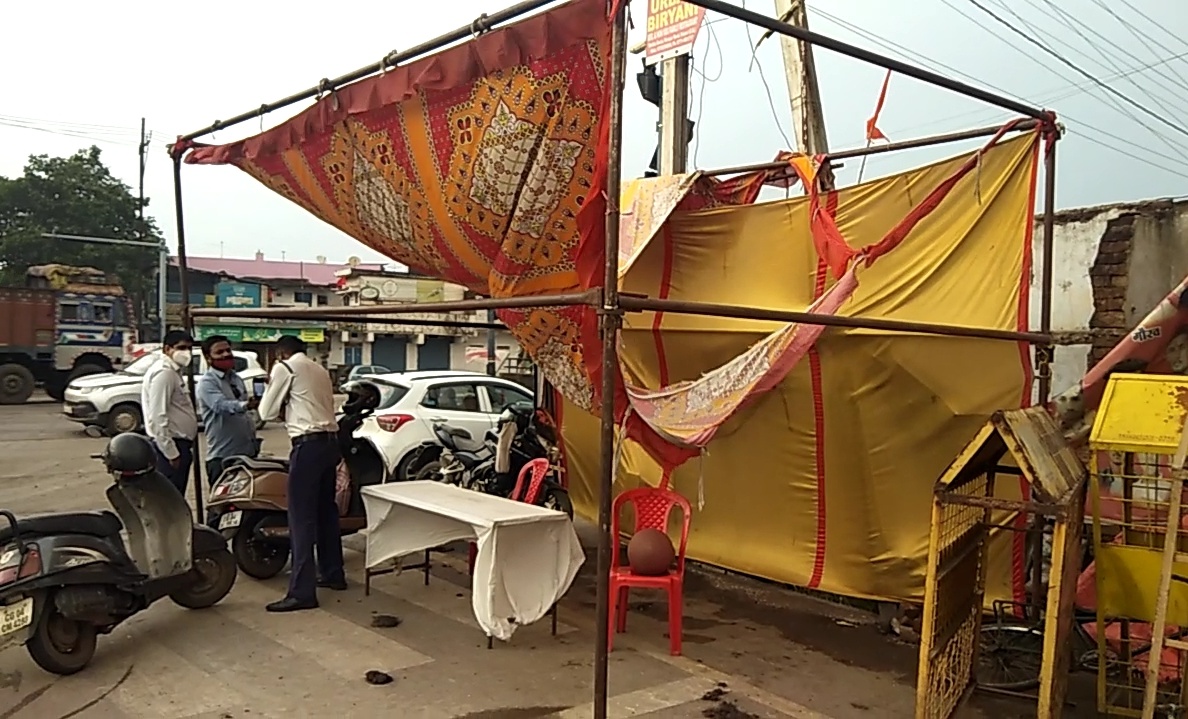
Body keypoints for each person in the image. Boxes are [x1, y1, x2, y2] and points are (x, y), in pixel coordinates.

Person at [257, 334, 345, 612]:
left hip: (306, 447)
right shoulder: (319, 369)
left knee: (301, 518)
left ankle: (302, 591)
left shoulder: (286, 368)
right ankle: (333, 573)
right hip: (330, 443)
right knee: (326, 513)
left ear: (281, 352)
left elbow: (266, 411)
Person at [196, 335, 260, 524]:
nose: (226, 355)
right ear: (209, 358)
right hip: (222, 457)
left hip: (246, 454)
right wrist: (245, 406)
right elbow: (220, 406)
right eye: (220, 352)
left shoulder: (237, 379)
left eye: (228, 350)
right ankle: (212, 549)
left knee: (245, 504)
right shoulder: (208, 382)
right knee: (219, 507)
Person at [142, 329, 199, 496]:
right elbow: (158, 416)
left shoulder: (173, 372)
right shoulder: (164, 373)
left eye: (189, 348)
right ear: (167, 349)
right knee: (169, 501)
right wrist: (171, 453)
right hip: (170, 448)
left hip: (179, 446)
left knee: (175, 498)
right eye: (181, 348)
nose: (186, 353)